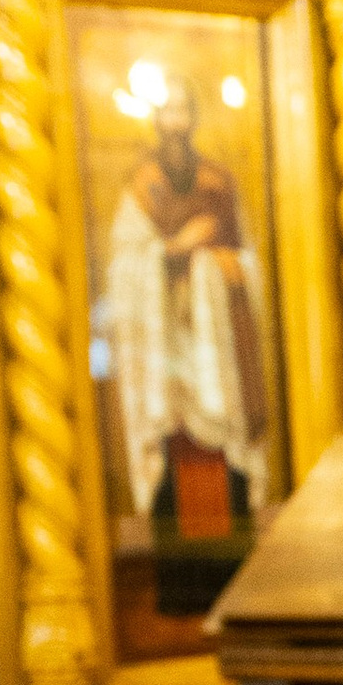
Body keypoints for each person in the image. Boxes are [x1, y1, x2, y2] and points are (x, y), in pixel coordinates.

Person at [104, 73, 273, 583]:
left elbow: (247, 260)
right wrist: (176, 251)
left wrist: (218, 267)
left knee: (220, 460)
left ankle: (229, 578)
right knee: (178, 460)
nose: (175, 123)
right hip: (166, 360)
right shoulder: (141, 188)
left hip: (215, 356)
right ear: (156, 121)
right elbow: (124, 264)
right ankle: (184, 582)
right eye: (167, 111)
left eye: (183, 111)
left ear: (194, 119)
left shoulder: (219, 184)